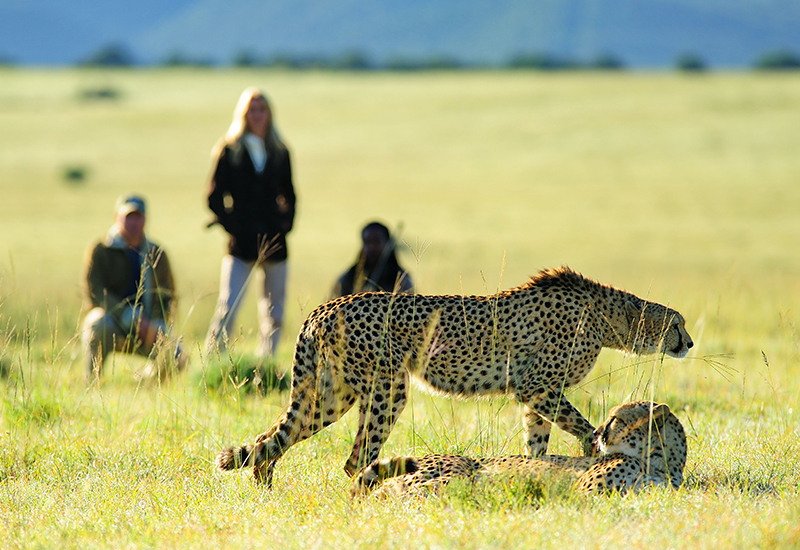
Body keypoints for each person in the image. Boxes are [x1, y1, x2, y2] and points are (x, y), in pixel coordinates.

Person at [206, 88, 296, 357]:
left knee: (274, 310)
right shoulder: (229, 150)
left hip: (274, 241)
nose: (257, 115)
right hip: (241, 243)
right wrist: (232, 225)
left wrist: (285, 225)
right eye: (252, 110)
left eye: (262, 110)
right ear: (243, 115)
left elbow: (290, 195)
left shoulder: (280, 151)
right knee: (228, 307)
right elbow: (213, 196)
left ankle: (265, 365)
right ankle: (213, 364)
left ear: (269, 114)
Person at [81, 194, 183, 379]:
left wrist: (157, 326)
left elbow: (167, 296)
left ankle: (149, 385)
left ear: (145, 220)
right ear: (116, 218)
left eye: (138, 217)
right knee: (96, 323)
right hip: (113, 322)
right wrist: (130, 317)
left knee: (178, 356)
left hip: (148, 327)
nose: (133, 223)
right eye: (128, 217)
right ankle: (92, 382)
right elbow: (94, 291)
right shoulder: (101, 250)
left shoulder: (156, 253)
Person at [332, 221, 413, 298]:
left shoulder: (401, 279)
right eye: (367, 242)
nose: (371, 248)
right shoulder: (349, 278)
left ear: (387, 244)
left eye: (376, 242)